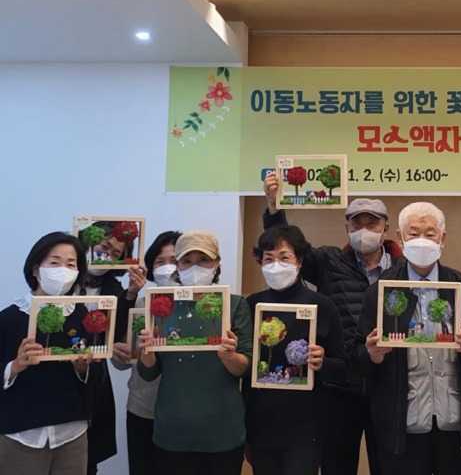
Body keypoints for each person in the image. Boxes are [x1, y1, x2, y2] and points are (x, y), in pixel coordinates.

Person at [263, 172, 402, 475]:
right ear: (346, 228)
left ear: (385, 229)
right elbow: (288, 250)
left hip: (389, 387)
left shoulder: (403, 270)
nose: (363, 230)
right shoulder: (328, 261)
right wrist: (274, 210)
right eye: (356, 223)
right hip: (339, 388)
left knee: (389, 466)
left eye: (372, 224)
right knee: (337, 466)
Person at [355, 201, 461, 475]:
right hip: (402, 428)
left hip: (455, 427)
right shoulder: (382, 291)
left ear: (442, 239)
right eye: (413, 233)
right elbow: (358, 361)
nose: (422, 240)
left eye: (430, 234)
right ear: (400, 238)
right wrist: (372, 355)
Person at [137, 230, 253, 475]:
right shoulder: (161, 305)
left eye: (204, 260)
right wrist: (146, 352)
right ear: (177, 266)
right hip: (172, 432)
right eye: (187, 261)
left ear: (217, 263)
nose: (195, 267)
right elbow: (149, 374)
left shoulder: (234, 305)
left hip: (223, 432)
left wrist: (229, 356)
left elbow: (244, 367)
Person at [243, 225, 347, 475]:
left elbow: (342, 367)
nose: (276, 265)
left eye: (284, 257)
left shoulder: (322, 305)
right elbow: (245, 368)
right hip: (261, 425)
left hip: (306, 428)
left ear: (299, 261)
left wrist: (322, 362)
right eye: (268, 258)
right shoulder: (251, 305)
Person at [0, 232, 95, 475]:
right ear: (36, 269)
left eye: (70, 264)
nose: (63, 270)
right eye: (54, 262)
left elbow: (93, 374)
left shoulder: (81, 315)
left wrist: (82, 368)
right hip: (21, 434)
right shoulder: (9, 318)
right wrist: (15, 366)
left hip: (72, 431)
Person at [77, 220, 148, 474]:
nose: (106, 255)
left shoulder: (115, 291)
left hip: (93, 384)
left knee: (87, 461)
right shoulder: (61, 280)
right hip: (54, 379)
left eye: (116, 254)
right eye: (104, 246)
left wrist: (131, 294)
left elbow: (115, 336)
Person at [110, 230, 181, 475]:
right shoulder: (139, 306)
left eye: (174, 260)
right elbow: (121, 363)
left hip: (184, 414)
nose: (168, 267)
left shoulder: (200, 307)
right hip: (143, 409)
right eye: (160, 261)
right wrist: (119, 353)